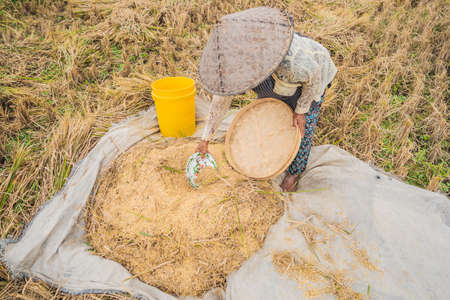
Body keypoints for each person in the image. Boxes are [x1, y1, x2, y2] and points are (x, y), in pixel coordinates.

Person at [195, 7, 337, 192]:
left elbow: (314, 78)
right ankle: (277, 149)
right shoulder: (234, 66)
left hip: (309, 79)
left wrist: (301, 110)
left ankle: (294, 172)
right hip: (278, 81)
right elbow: (220, 102)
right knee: (272, 114)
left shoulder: (291, 60)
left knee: (302, 126)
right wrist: (206, 138)